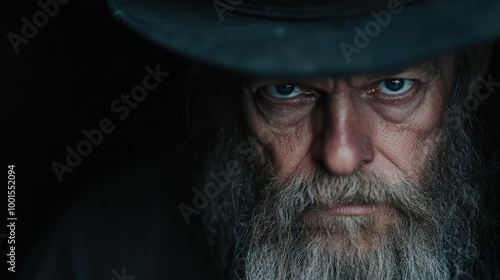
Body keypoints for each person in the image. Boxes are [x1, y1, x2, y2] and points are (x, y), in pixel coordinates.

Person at [22, 0, 500, 279]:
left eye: (396, 87)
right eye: (285, 91)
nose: (340, 154)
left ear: (470, 69)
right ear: (229, 96)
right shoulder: (94, 255)